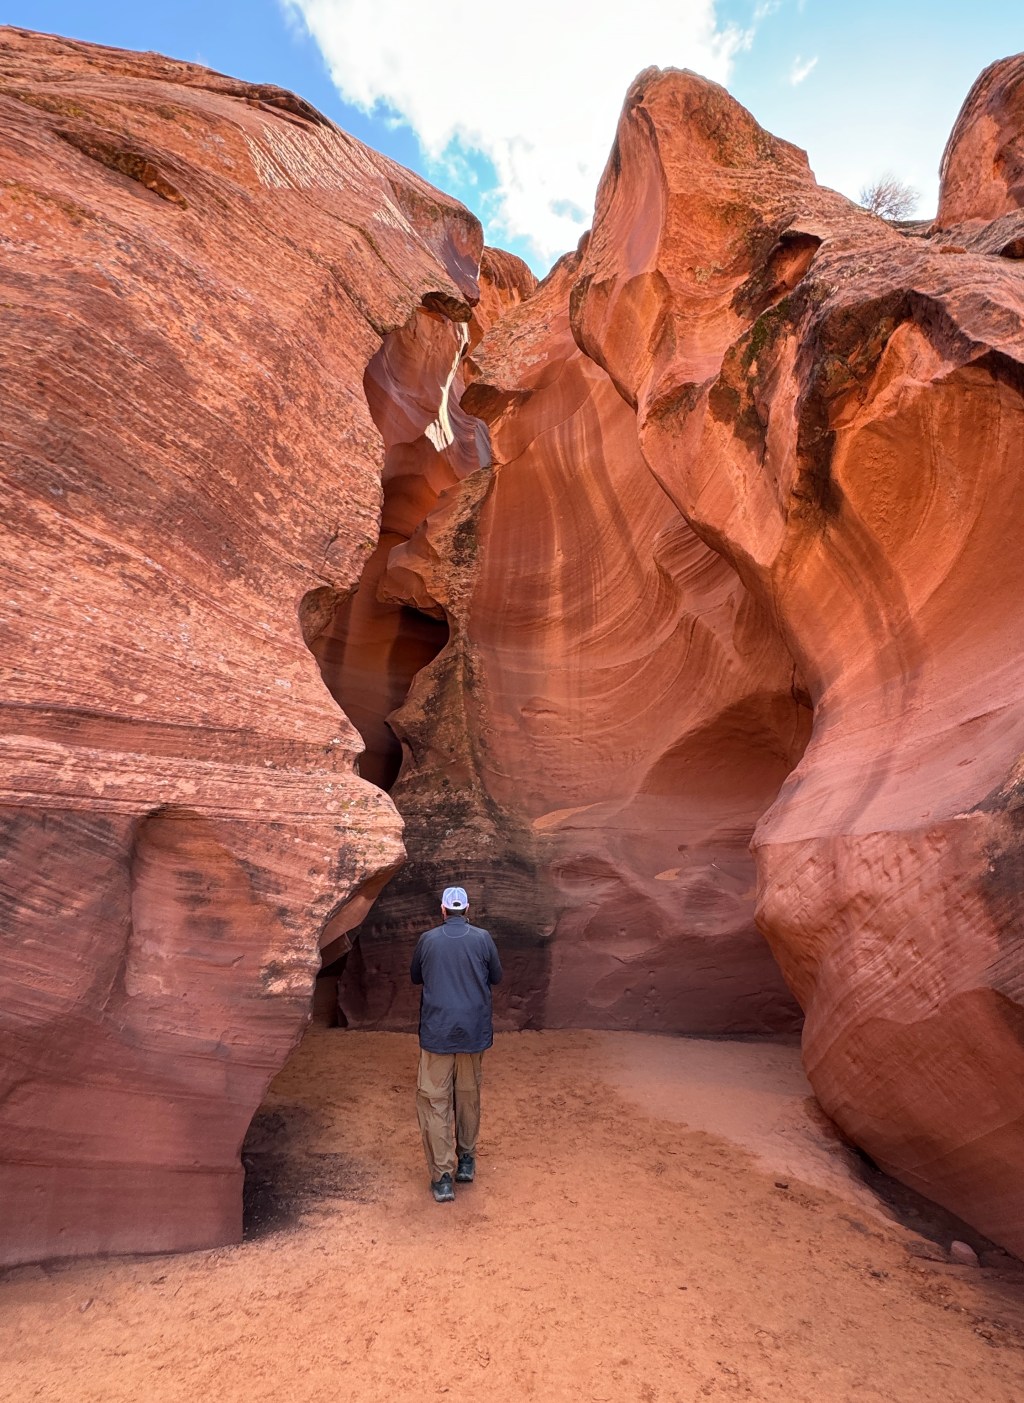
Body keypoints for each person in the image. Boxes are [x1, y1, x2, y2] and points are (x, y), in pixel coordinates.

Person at [410, 885, 502, 1203]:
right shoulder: (483, 939)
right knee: (467, 1096)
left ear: (443, 910)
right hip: (473, 1032)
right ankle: (466, 1161)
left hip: (438, 1033)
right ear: (468, 909)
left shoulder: (428, 941)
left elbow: (415, 976)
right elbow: (496, 977)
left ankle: (443, 1177)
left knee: (434, 1102)